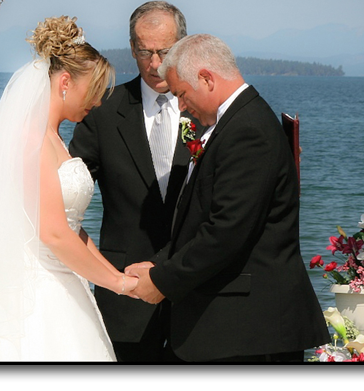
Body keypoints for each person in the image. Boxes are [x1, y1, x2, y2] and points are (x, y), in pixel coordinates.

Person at [0, 16, 138, 361]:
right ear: (65, 81)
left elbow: (73, 229)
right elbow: (53, 233)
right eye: (94, 90)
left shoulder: (54, 140)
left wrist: (117, 277)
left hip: (67, 281)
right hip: (36, 292)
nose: (97, 101)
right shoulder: (32, 141)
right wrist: (119, 285)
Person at [126, 33, 330, 362]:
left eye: (181, 94)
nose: (181, 106)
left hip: (252, 332)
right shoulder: (233, 124)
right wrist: (158, 262)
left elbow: (227, 231)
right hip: (235, 330)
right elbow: (201, 218)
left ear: (206, 78)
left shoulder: (248, 131)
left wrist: (162, 281)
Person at [69, 1, 202, 361]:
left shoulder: (207, 111)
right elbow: (70, 188)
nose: (155, 63)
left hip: (198, 297)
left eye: (165, 51)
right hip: (124, 297)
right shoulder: (103, 110)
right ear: (132, 48)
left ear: (183, 45)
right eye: (145, 52)